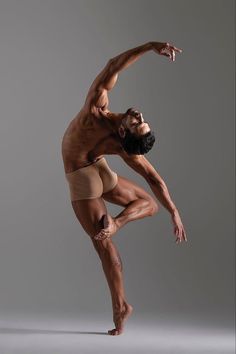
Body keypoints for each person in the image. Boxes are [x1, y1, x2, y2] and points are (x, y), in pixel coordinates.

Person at [61, 41, 187, 336]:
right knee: (149, 205)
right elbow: (114, 65)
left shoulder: (95, 111)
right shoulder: (123, 144)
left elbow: (156, 179)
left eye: (137, 123)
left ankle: (120, 308)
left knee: (103, 243)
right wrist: (152, 46)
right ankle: (117, 228)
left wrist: (174, 212)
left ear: (123, 133)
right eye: (142, 121)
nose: (140, 117)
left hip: (83, 173)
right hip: (99, 168)